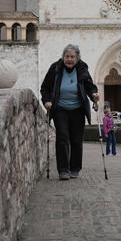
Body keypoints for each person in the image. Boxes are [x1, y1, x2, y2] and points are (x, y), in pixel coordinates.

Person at [40, 44, 100, 180]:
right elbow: (45, 88)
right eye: (67, 56)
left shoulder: (82, 68)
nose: (69, 59)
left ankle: (75, 168)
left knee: (76, 140)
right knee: (62, 138)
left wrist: (94, 95)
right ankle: (63, 170)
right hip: (60, 108)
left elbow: (90, 87)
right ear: (63, 57)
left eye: (72, 57)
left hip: (78, 109)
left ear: (77, 58)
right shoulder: (55, 68)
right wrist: (47, 101)